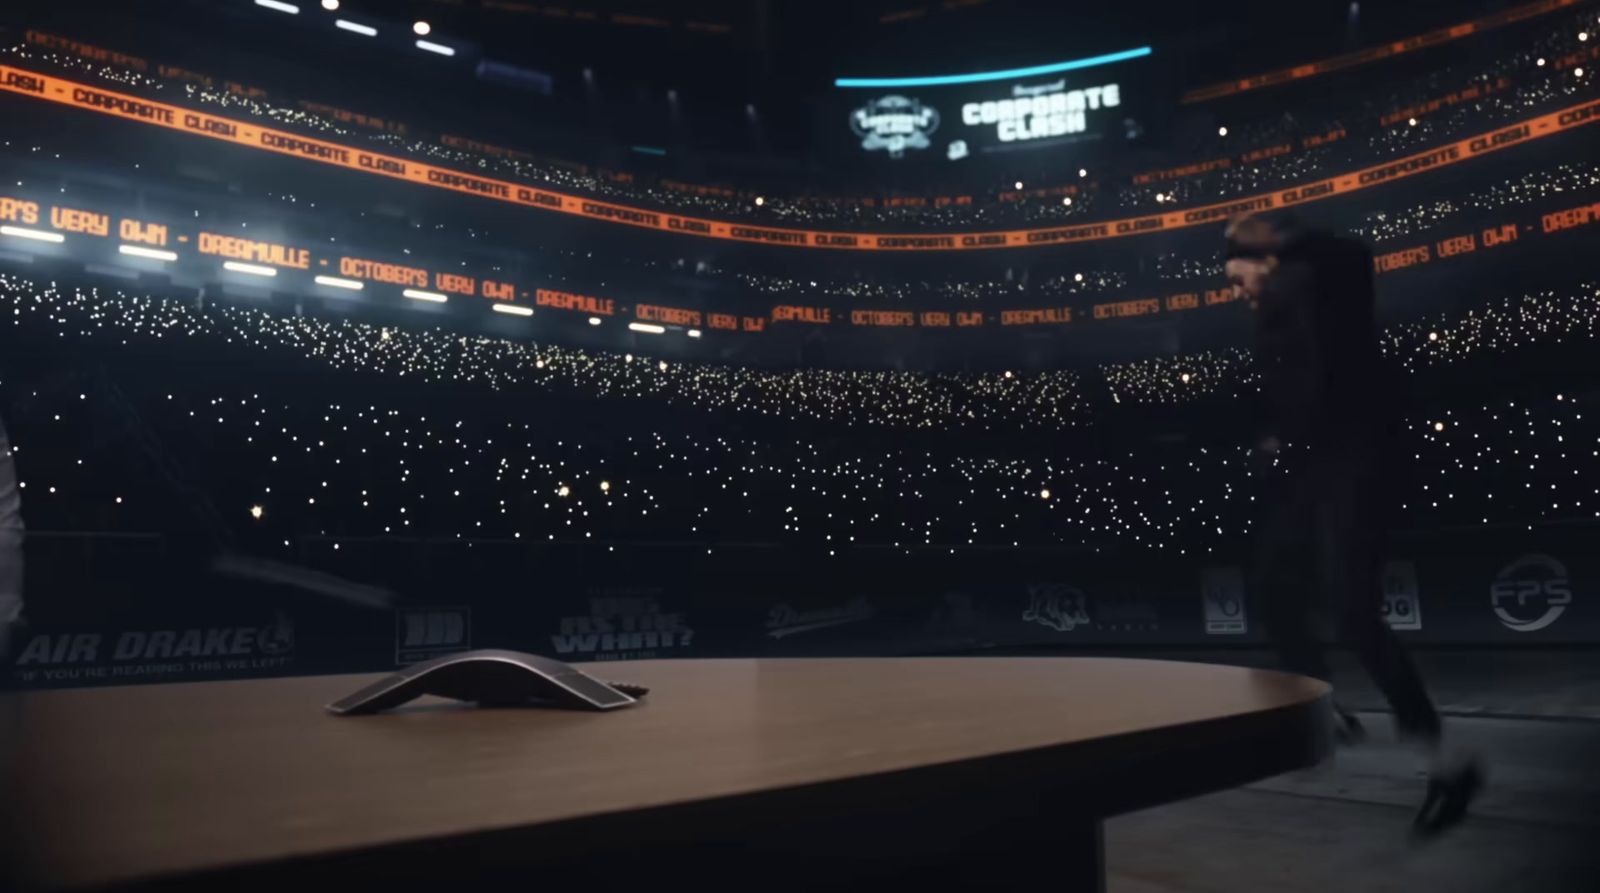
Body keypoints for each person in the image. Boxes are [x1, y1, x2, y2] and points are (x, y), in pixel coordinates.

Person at [1224, 214, 1483, 838]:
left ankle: (1447, 768)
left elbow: (1353, 252)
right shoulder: (1269, 318)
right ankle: (1326, 715)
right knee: (1273, 590)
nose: (1237, 292)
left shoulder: (1320, 278)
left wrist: (1280, 241)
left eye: (1239, 278)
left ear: (1267, 262)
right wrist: (1273, 440)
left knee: (1354, 616)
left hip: (1360, 460)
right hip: (1310, 465)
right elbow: (1292, 392)